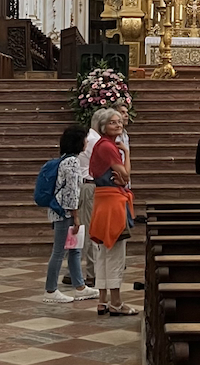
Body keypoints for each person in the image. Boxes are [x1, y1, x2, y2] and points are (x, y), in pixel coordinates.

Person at [88, 109, 136, 316]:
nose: (118, 125)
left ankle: (102, 300)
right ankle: (116, 302)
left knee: (103, 253)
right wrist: (127, 153)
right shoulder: (108, 146)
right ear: (103, 126)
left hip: (103, 200)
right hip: (112, 202)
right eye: (113, 122)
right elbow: (125, 175)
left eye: (119, 121)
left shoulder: (101, 145)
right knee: (115, 253)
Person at [43, 125, 99, 303]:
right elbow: (72, 192)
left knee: (75, 249)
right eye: (84, 139)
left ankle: (80, 286)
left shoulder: (65, 160)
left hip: (62, 210)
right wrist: (76, 216)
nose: (86, 142)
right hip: (64, 213)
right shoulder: (73, 162)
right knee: (59, 251)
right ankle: (51, 290)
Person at [65, 108, 107, 288]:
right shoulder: (95, 141)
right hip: (88, 185)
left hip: (83, 186)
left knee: (82, 228)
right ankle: (91, 273)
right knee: (89, 229)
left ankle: (73, 271)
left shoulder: (90, 138)